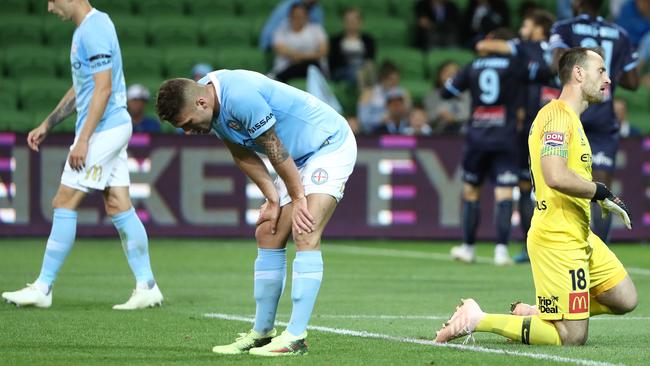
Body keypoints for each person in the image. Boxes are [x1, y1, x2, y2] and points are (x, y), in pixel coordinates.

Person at [435, 47, 637, 347]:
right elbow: (554, 174)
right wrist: (600, 192)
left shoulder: (569, 118)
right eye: (601, 71)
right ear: (578, 74)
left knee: (624, 297)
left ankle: (544, 311)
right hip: (557, 235)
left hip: (578, 232)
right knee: (571, 337)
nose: (608, 79)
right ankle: (478, 318)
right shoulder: (556, 116)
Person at [155, 69, 356, 356]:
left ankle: (296, 336)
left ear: (201, 103)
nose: (188, 131)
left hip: (328, 144)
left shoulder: (238, 96)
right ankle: (263, 333)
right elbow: (241, 153)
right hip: (297, 157)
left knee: (305, 228)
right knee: (267, 231)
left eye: (187, 123)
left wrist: (298, 197)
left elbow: (272, 146)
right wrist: (272, 198)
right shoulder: (209, 101)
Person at [1, 0, 162, 310]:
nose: (48, 7)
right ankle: (148, 286)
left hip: (104, 130)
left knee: (64, 201)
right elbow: (83, 88)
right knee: (118, 205)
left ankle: (43, 287)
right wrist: (48, 123)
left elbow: (103, 89)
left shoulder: (95, 28)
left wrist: (84, 139)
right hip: (109, 128)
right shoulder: (84, 31)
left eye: (51, 0)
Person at [443, 28, 544, 266]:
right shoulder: (515, 64)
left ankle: (468, 247)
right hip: (506, 137)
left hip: (477, 136)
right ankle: (501, 250)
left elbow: (447, 92)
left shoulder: (473, 65)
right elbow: (541, 74)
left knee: (471, 191)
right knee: (505, 194)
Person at [549, 0, 640, 243]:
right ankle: (599, 256)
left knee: (559, 181)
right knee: (601, 191)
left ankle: (565, 248)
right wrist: (609, 72)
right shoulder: (619, 34)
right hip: (602, 116)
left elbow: (555, 65)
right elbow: (633, 82)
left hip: (571, 112)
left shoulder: (564, 28)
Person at [475, 9, 558, 263]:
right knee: (533, 186)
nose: (522, 28)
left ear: (538, 27)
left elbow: (483, 45)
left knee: (528, 187)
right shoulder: (559, 50)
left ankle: (533, 246)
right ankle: (538, 247)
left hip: (534, 123)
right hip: (556, 120)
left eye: (526, 23)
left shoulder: (523, 47)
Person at [270, 3, 329, 83]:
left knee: (311, 65)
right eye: (295, 16)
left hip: (312, 67)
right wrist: (310, 55)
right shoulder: (281, 31)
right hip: (287, 66)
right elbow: (280, 49)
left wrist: (300, 57)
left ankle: (278, 77)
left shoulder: (316, 29)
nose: (298, 19)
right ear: (290, 16)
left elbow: (322, 51)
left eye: (301, 16)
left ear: (307, 17)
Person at [357, 60, 412, 134]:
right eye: (391, 80)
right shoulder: (368, 93)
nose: (394, 83)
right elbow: (363, 119)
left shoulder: (403, 93)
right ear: (383, 78)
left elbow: (409, 116)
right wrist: (381, 119)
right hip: (373, 132)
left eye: (397, 80)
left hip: (398, 131)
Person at [329, 7, 376, 86]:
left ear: (360, 22)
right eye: (348, 20)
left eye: (354, 20)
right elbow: (334, 63)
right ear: (344, 22)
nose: (351, 23)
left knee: (369, 70)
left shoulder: (368, 40)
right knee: (360, 74)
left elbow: (370, 59)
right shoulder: (335, 40)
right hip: (342, 71)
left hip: (363, 69)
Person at [423, 60, 470, 134]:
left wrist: (454, 119)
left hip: (464, 134)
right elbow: (428, 117)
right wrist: (439, 114)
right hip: (437, 134)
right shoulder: (431, 95)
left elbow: (470, 115)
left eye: (454, 72)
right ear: (439, 75)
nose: (450, 75)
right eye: (446, 72)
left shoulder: (468, 94)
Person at [259, 0, 323, 52]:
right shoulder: (289, 7)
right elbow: (274, 34)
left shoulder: (317, 11)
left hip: (307, 46)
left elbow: (318, 32)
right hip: (277, 44)